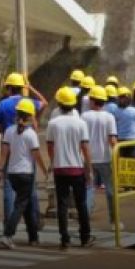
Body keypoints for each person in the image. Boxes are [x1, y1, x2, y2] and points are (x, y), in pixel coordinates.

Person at [0, 72, 45, 238]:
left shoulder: (2, 105)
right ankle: (34, 223)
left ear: (9, 88)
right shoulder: (28, 102)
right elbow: (44, 103)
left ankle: (9, 223)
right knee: (30, 190)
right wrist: (31, 88)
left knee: (9, 191)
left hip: (10, 148)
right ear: (21, 87)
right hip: (27, 151)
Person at [45, 87, 95, 250]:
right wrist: (89, 169)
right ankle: (85, 237)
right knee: (81, 204)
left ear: (59, 104)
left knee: (62, 204)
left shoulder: (53, 123)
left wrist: (53, 162)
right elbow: (85, 148)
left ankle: (64, 238)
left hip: (60, 169)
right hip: (77, 168)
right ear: (73, 105)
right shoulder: (81, 123)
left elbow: (50, 147)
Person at [0, 99, 47, 249]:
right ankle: (8, 234)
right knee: (20, 205)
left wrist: (0, 169)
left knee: (27, 204)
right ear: (30, 116)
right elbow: (36, 155)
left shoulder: (9, 130)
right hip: (26, 174)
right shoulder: (31, 134)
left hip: (12, 173)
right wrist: (44, 170)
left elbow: (4, 152)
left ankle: (33, 237)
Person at [81, 86, 117, 227]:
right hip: (105, 158)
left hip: (87, 158)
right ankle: (113, 221)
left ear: (93, 100)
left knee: (89, 189)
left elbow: (81, 139)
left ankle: (85, 221)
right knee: (110, 190)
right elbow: (112, 140)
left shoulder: (84, 116)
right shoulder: (109, 117)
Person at [112, 87, 135, 157]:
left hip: (123, 141)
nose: (121, 99)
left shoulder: (115, 111)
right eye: (120, 97)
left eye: (122, 97)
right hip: (132, 140)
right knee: (131, 163)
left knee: (123, 163)